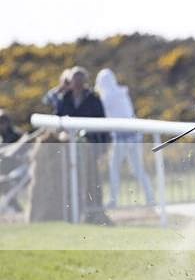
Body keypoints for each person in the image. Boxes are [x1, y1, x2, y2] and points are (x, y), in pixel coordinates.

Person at [57, 67, 112, 225]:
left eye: (81, 81)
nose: (78, 84)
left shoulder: (93, 99)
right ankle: (71, 214)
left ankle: (94, 212)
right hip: (69, 150)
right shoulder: (64, 98)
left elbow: (102, 123)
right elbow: (58, 120)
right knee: (70, 183)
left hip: (90, 149)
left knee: (92, 182)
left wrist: (102, 148)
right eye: (75, 81)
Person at [95, 68, 156, 208]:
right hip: (134, 136)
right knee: (137, 169)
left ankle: (113, 200)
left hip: (121, 138)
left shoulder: (107, 97)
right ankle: (150, 197)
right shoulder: (122, 93)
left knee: (114, 169)